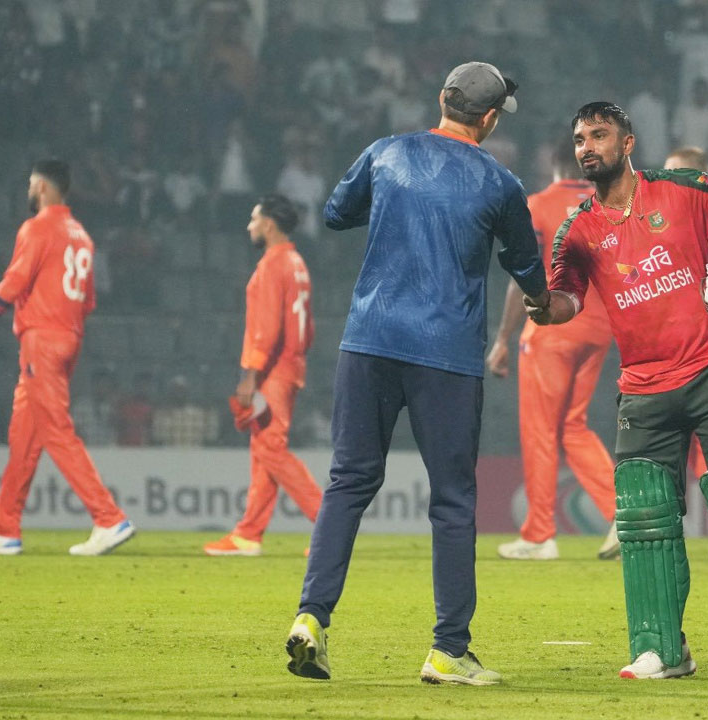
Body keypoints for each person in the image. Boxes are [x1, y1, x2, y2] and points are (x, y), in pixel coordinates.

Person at [528, 102, 708, 681]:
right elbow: (566, 299)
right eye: (580, 139)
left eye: (599, 135)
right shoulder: (577, 229)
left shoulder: (678, 189)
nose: (587, 147)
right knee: (643, 517)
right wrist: (543, 306)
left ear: (628, 142)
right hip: (643, 387)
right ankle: (661, 649)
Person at [285, 61, 549, 686]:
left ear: (442, 100)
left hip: (369, 342)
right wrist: (545, 303)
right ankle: (448, 650)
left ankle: (311, 617)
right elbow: (526, 269)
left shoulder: (386, 153)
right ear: (489, 119)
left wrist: (395, 207)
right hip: (446, 356)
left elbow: (335, 212)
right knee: (453, 501)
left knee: (348, 481)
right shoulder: (500, 182)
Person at [0, 159, 136, 556]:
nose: (28, 190)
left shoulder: (37, 228)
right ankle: (4, 528)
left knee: (55, 430)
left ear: (43, 188)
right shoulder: (82, 236)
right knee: (24, 437)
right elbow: (89, 300)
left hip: (42, 340)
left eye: (32, 184)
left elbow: (13, 282)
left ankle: (108, 518)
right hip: (69, 337)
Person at [488, 146, 619, 561]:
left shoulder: (539, 205)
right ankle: (624, 515)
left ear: (554, 165)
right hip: (599, 328)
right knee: (573, 427)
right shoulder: (608, 207)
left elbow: (523, 275)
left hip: (552, 327)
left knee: (541, 431)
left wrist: (502, 338)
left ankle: (539, 534)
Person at [204, 194, 323, 556]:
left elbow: (267, 330)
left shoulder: (273, 264)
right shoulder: (297, 264)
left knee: (271, 449)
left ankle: (330, 525)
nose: (249, 226)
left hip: (273, 369)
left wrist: (251, 375)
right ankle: (248, 534)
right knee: (263, 449)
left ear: (269, 225)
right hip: (291, 364)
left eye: (254, 220)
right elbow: (307, 326)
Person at [661, 146, 708, 564]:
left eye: (676, 173)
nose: (666, 180)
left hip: (704, 359)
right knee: (681, 455)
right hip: (671, 358)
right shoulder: (670, 226)